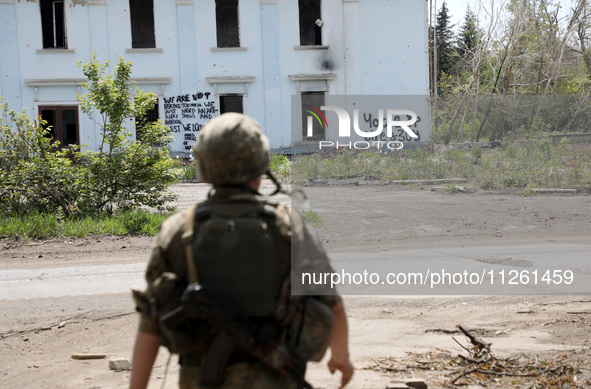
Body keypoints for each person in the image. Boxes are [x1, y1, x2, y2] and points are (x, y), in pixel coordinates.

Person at [129, 113, 354, 389]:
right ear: (260, 165)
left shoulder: (178, 231)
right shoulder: (288, 228)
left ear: (203, 163)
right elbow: (333, 304)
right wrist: (341, 358)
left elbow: (150, 323)